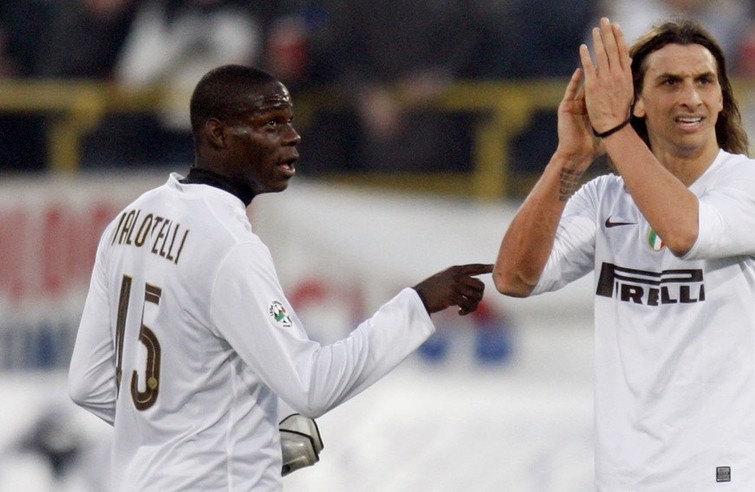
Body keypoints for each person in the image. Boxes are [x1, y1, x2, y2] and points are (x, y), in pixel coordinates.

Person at [68, 64, 492, 491]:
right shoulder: (229, 246)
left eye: (290, 122)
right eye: (271, 124)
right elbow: (311, 386)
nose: (292, 137)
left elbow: (88, 383)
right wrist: (417, 304)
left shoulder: (130, 219)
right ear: (218, 135)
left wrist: (224, 442)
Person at [493, 17, 755, 491]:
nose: (691, 97)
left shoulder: (754, 186)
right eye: (670, 82)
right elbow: (513, 278)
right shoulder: (604, 200)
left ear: (720, 99)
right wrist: (568, 159)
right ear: (638, 101)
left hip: (724, 474)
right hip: (626, 476)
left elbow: (683, 232)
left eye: (704, 82)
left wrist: (614, 128)